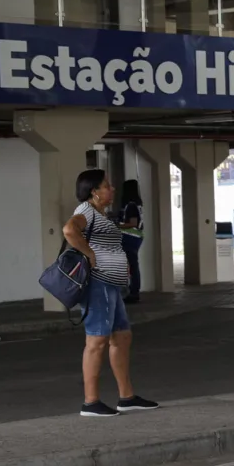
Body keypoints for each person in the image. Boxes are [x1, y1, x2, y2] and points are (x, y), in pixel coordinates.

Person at [62, 169, 158, 418]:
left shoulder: (100, 214)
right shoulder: (85, 211)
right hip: (97, 285)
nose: (112, 188)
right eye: (107, 185)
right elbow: (69, 230)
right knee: (97, 341)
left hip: (111, 285)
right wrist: (90, 254)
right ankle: (90, 402)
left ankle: (127, 397)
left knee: (122, 337)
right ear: (94, 191)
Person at [118, 179, 144, 304]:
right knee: (132, 265)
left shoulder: (131, 205)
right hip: (135, 237)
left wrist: (117, 225)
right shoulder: (136, 204)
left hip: (130, 238)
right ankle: (133, 291)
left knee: (133, 266)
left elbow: (132, 223)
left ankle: (134, 292)